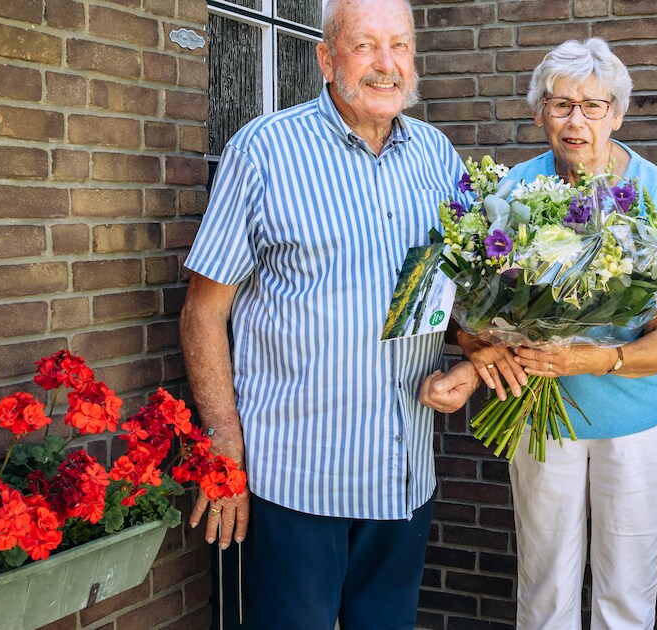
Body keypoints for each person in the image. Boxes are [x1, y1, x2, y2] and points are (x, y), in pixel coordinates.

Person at [178, 0, 479, 627]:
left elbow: (453, 292)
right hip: (297, 477)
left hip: (402, 471)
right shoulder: (264, 150)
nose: (386, 64)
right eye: (365, 45)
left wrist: (476, 352)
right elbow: (203, 313)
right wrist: (224, 448)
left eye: (400, 46)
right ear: (326, 57)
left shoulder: (438, 156)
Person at [458, 38, 657, 629]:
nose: (576, 121)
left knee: (626, 596)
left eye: (592, 106)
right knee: (545, 590)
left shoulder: (653, 193)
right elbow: (475, 311)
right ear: (540, 113)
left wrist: (591, 359)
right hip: (542, 415)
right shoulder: (512, 190)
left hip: (636, 419)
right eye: (561, 104)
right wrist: (483, 342)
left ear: (617, 115)